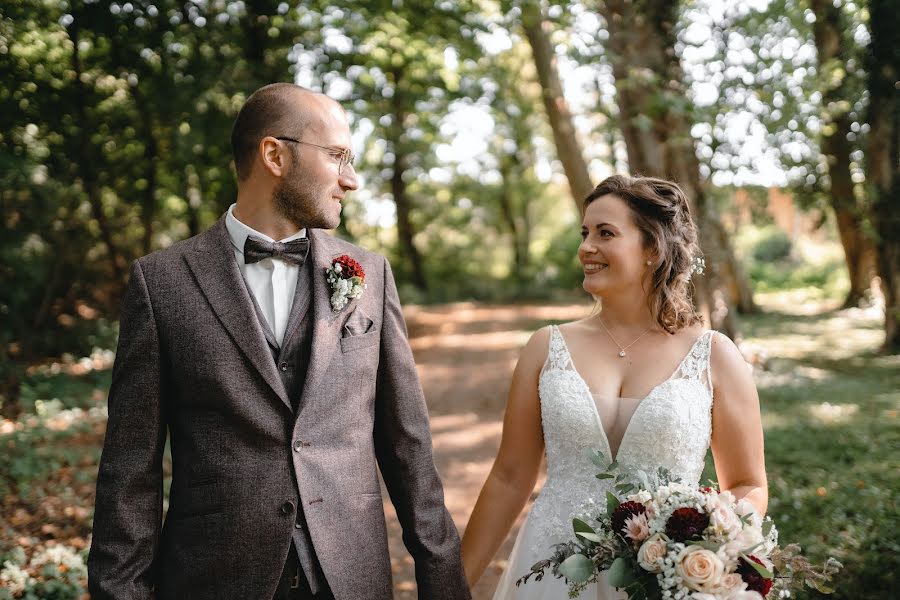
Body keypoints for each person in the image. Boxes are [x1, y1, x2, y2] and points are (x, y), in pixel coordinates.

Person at [87, 83, 470, 600]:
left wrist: (444, 585)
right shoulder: (163, 283)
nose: (351, 180)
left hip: (349, 577)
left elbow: (408, 446)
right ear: (275, 155)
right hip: (215, 579)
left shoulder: (369, 275)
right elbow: (130, 470)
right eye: (337, 156)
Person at [461, 175, 768, 599]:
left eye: (606, 233)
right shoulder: (545, 348)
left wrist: (707, 546)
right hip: (553, 573)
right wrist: (450, 586)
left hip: (664, 580)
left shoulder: (714, 356)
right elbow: (510, 478)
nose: (586, 247)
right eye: (585, 233)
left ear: (653, 248)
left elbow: (748, 483)